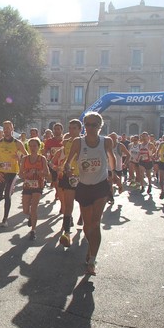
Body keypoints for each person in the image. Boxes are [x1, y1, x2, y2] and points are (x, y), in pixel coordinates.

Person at [63, 112, 115, 275]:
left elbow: (112, 159)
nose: (90, 128)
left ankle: (92, 259)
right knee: (87, 225)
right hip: (84, 186)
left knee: (95, 222)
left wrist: (113, 174)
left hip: (100, 186)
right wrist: (69, 171)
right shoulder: (78, 142)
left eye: (94, 125)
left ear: (100, 126)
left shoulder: (106, 141)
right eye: (88, 125)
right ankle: (91, 247)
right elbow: (67, 162)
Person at [53, 119, 81, 245]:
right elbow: (63, 158)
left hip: (82, 177)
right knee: (68, 204)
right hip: (69, 176)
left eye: (74, 128)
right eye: (70, 128)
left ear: (80, 129)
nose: (71, 130)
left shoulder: (84, 142)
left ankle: (82, 218)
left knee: (82, 204)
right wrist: (61, 167)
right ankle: (67, 233)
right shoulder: (67, 143)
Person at [0, 120, 27, 227]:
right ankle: (6, 192)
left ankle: (5, 219)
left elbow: (26, 157)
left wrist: (19, 159)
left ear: (12, 129)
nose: (6, 130)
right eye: (5, 128)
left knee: (7, 195)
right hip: (1, 172)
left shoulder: (17, 143)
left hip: (12, 172)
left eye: (8, 128)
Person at [19, 138, 49, 241]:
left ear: (39, 147)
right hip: (27, 185)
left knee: (34, 207)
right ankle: (31, 216)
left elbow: (47, 174)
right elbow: (20, 174)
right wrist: (27, 174)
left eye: (35, 146)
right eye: (30, 146)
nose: (32, 148)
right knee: (26, 210)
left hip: (38, 185)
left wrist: (40, 173)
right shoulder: (25, 159)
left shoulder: (42, 159)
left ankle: (33, 230)